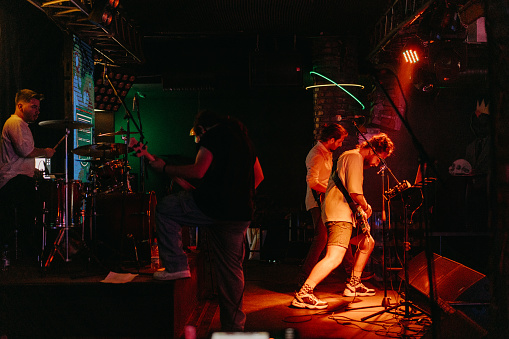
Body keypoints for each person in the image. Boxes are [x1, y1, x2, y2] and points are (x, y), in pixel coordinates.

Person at [148, 110, 263, 331]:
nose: (197, 140)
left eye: (196, 135)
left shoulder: (213, 136)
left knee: (164, 208)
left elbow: (199, 170)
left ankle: (176, 265)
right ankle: (234, 329)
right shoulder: (246, 141)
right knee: (231, 273)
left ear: (202, 129)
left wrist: (164, 168)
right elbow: (259, 177)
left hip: (212, 207)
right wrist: (238, 196)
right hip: (239, 214)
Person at [292, 133, 394, 309]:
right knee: (334, 257)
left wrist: (359, 210)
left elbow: (348, 190)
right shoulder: (354, 157)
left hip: (342, 212)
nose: (378, 163)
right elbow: (355, 193)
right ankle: (304, 292)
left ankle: (353, 284)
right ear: (374, 150)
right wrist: (366, 206)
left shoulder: (349, 157)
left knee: (367, 242)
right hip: (339, 214)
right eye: (379, 158)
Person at [0, 89, 56, 252]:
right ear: (20, 105)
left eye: (38, 108)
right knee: (41, 203)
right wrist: (45, 152)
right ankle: (39, 248)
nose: (37, 111)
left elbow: (27, 153)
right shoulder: (15, 123)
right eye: (33, 107)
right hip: (13, 180)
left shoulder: (22, 125)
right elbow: (25, 152)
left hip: (19, 179)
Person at [299, 123, 349, 284]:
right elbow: (312, 182)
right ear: (331, 139)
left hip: (324, 201)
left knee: (335, 235)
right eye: (339, 141)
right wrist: (330, 191)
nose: (340, 145)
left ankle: (352, 272)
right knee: (322, 237)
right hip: (316, 201)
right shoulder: (316, 154)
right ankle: (304, 277)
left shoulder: (326, 153)